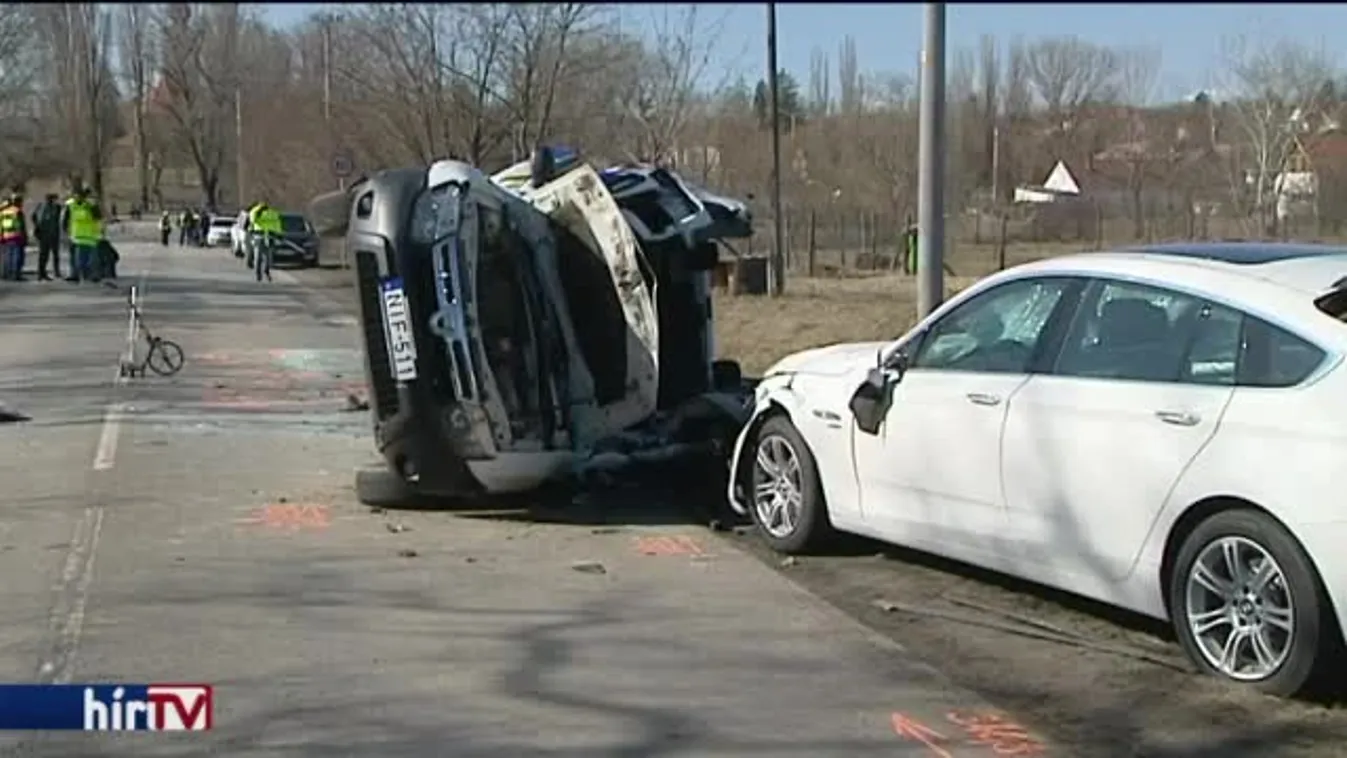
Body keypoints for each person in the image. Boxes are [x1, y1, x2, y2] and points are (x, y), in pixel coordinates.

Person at [66, 185, 103, 284]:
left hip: (90, 236)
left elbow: (98, 220)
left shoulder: (91, 206)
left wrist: (100, 232)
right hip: (77, 236)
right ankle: (79, 275)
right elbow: (65, 220)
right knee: (79, 259)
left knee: (91, 259)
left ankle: (92, 275)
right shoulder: (71, 205)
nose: (77, 198)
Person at [32, 193, 63, 281]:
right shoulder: (50, 207)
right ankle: (43, 273)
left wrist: (37, 227)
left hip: (49, 233)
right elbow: (34, 217)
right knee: (46, 254)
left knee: (48, 254)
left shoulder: (51, 207)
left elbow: (33, 217)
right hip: (47, 234)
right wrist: (37, 227)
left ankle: (45, 273)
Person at [251, 200, 282, 282]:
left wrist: (278, 234)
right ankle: (258, 273)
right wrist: (258, 209)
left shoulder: (273, 213)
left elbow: (277, 224)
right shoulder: (257, 212)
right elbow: (253, 219)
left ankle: (266, 270)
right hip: (259, 237)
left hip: (269, 237)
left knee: (267, 257)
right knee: (258, 256)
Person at [0, 189, 26, 281]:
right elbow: (21, 225)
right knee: (16, 256)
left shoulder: (3, 211)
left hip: (6, 236)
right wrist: (23, 236)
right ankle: (15, 275)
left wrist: (1, 235)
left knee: (6, 256)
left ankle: (5, 274)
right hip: (16, 235)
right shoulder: (17, 211)